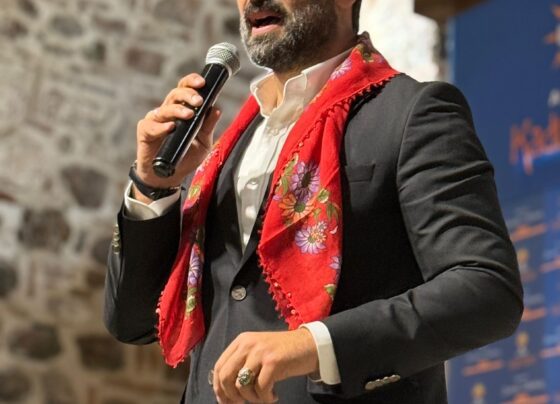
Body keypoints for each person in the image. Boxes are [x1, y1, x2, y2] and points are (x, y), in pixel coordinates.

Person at [104, 0, 523, 403]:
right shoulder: (228, 149)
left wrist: (315, 345)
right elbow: (134, 322)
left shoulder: (413, 113)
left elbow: (486, 290)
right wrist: (153, 186)